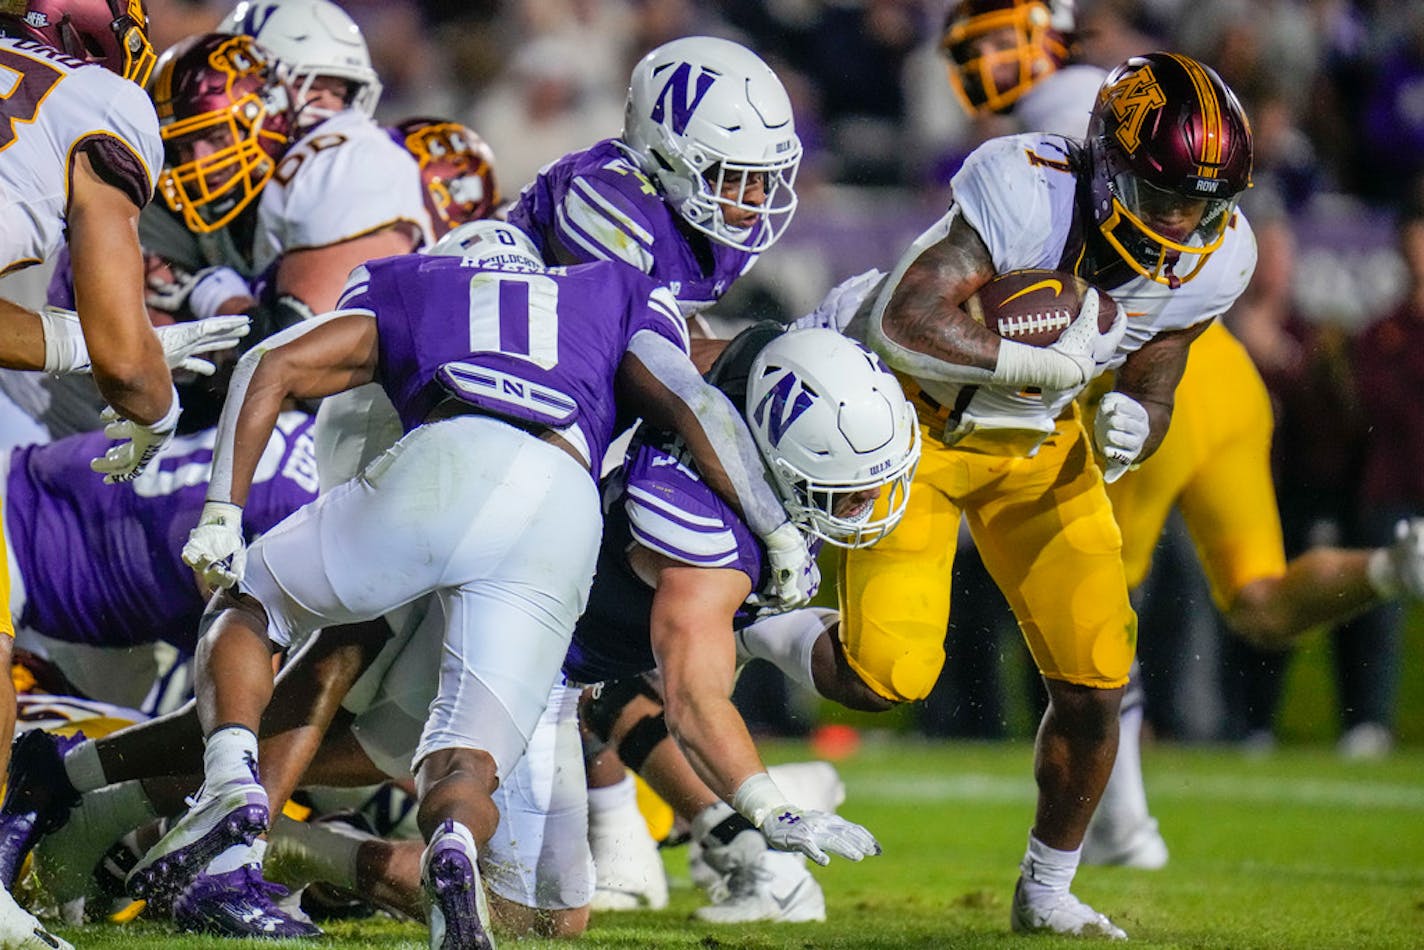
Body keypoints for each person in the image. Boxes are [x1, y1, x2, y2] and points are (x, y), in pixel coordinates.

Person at [138, 220, 815, 944]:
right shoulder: (612, 286)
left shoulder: (412, 281)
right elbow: (693, 402)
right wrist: (776, 531)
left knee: (249, 602)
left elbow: (272, 362)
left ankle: (232, 790)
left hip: (451, 455)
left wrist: (223, 512)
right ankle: (452, 845)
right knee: (470, 754)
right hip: (562, 508)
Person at [740, 52, 1256, 939]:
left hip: (1038, 439)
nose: (1182, 222)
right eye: (1163, 194)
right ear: (1106, 162)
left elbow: (1160, 359)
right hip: (912, 417)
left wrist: (1140, 414)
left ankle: (1046, 888)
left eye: (1201, 205)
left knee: (1098, 674)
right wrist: (1032, 361)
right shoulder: (1028, 186)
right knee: (885, 677)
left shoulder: (1221, 255)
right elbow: (908, 322)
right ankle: (751, 624)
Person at [507, 33, 806, 909]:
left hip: (561, 432)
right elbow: (669, 379)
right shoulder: (607, 204)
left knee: (591, 650)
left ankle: (654, 831)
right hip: (476, 424)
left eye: (762, 175)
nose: (752, 199)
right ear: (664, 155)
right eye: (732, 174)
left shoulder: (681, 215)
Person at [0, 4, 251, 945]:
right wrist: (156, 399)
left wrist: (80, 346)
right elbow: (124, 351)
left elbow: (81, 340)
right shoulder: (99, 99)